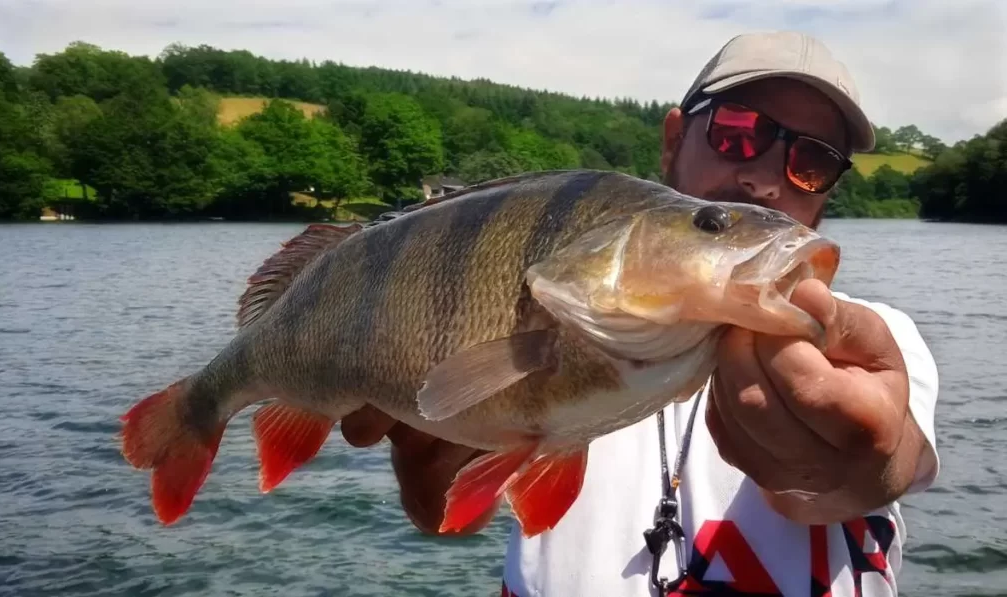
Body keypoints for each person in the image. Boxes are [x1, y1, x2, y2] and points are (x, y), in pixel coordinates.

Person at [340, 31, 941, 597]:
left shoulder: (876, 344)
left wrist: (860, 463)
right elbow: (439, 513)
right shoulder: (568, 311)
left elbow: (878, 467)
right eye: (739, 133)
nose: (763, 180)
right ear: (675, 138)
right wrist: (426, 440)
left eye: (812, 161)